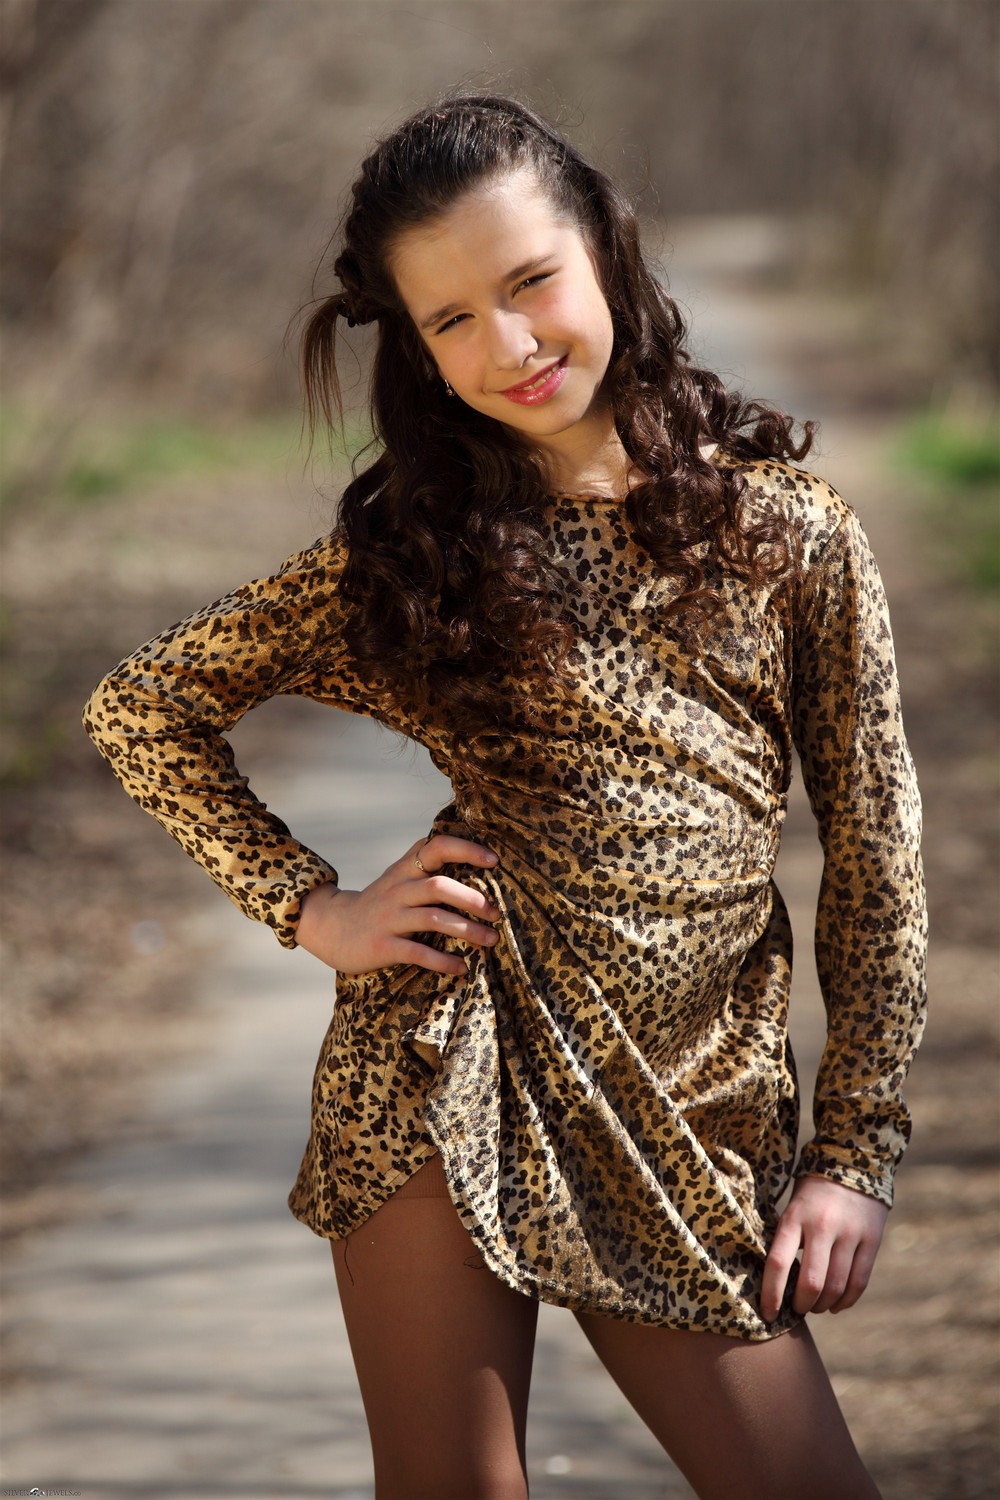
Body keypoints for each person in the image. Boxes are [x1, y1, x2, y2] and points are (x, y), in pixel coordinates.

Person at [83, 92, 927, 1500]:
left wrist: (856, 1150)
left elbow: (877, 854)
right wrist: (316, 910)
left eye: (531, 281)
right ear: (414, 346)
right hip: (443, 1063)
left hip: (683, 1115)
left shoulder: (788, 534)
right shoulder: (423, 551)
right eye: (453, 320)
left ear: (605, 246)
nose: (511, 344)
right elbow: (142, 707)